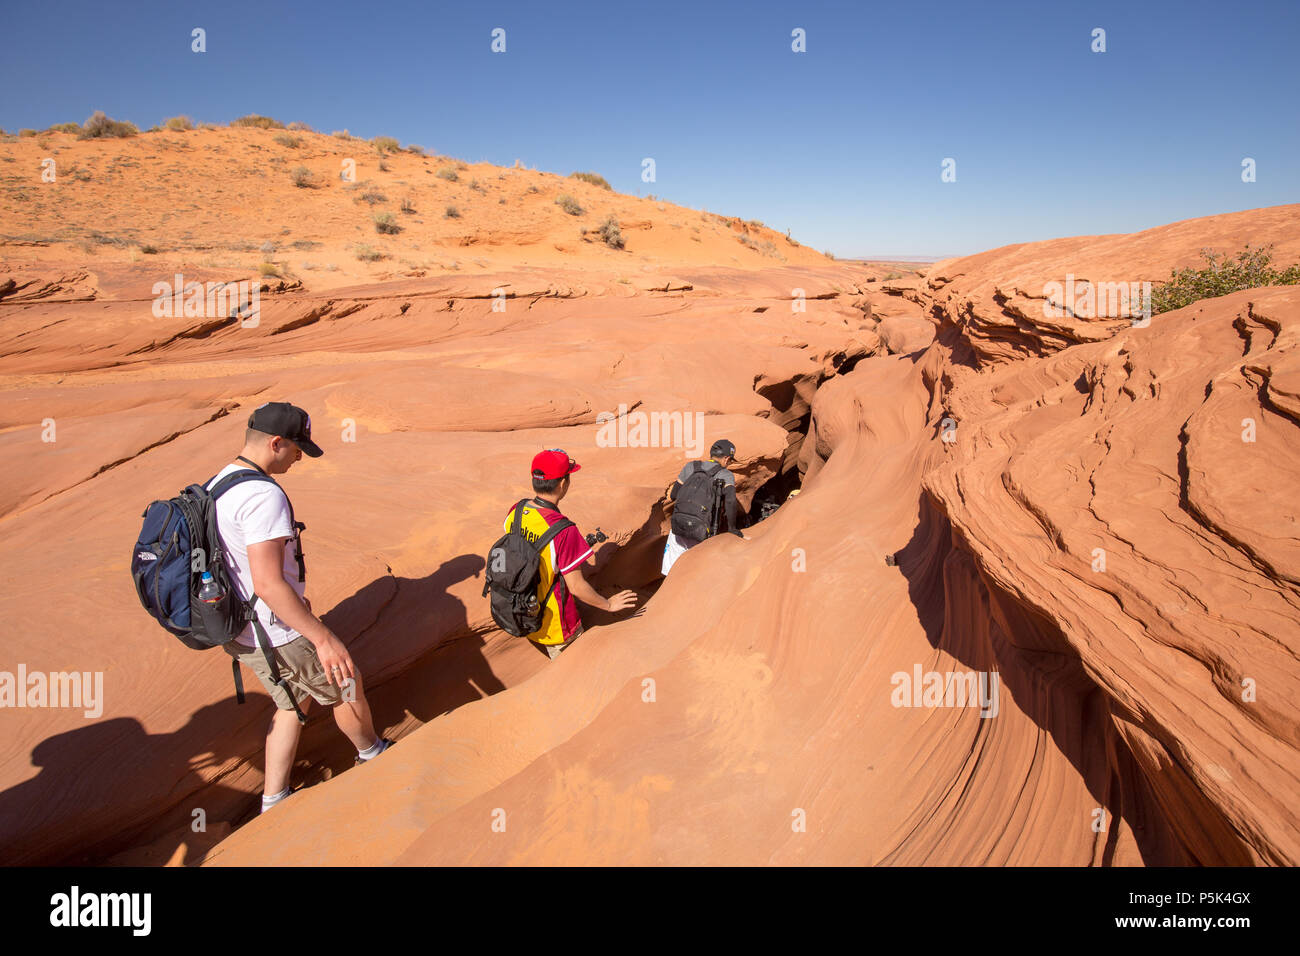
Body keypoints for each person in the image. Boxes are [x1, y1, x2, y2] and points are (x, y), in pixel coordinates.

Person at [211, 402, 391, 813]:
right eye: (296, 449)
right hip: (276, 629)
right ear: (276, 442)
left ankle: (273, 798)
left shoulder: (220, 483)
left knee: (292, 702)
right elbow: (269, 583)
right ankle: (374, 756)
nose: (298, 457)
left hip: (239, 628)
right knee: (346, 683)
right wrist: (322, 638)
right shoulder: (262, 496)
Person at [502, 448, 637, 659]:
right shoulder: (564, 530)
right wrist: (608, 604)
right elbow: (576, 587)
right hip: (556, 626)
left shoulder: (516, 511)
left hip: (521, 610)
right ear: (563, 484)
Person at [662, 438, 746, 575]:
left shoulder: (691, 466)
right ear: (726, 458)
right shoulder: (725, 474)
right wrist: (732, 529)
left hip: (677, 528)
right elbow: (730, 501)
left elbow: (674, 495)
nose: (729, 464)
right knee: (695, 573)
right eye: (730, 460)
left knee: (671, 574)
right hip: (701, 531)